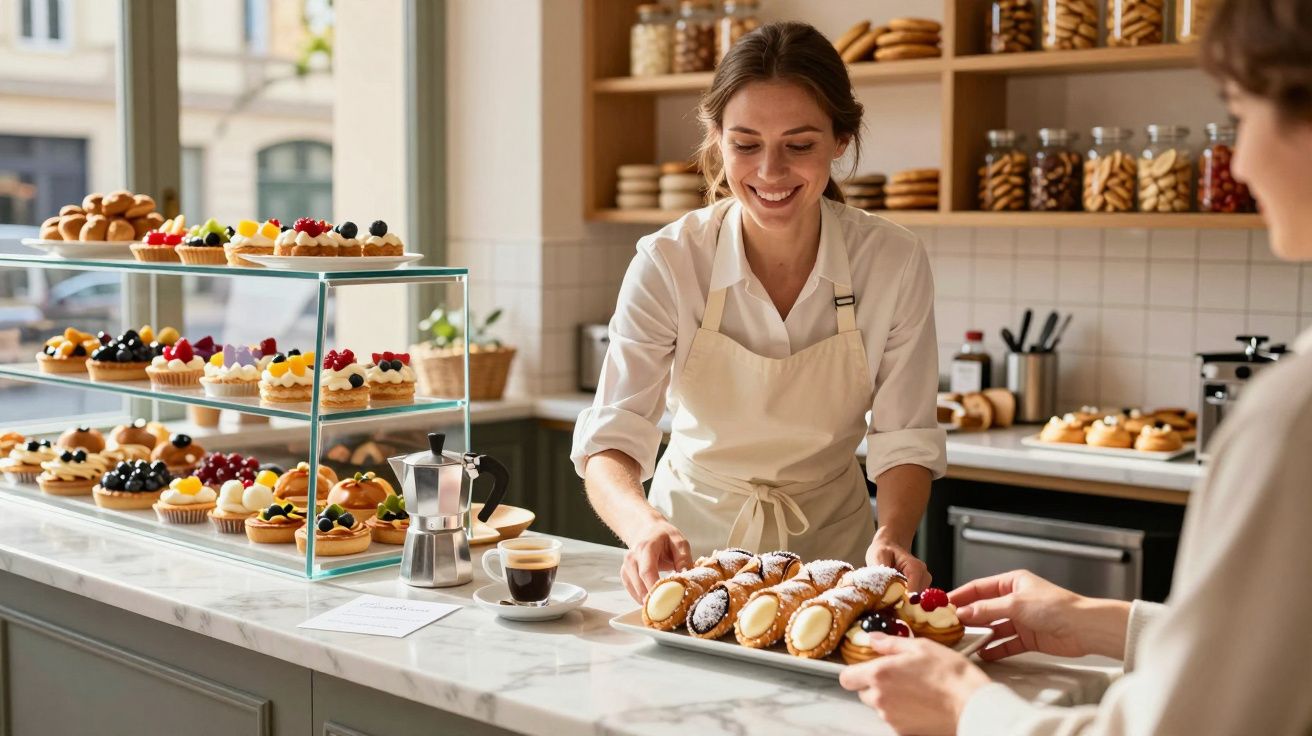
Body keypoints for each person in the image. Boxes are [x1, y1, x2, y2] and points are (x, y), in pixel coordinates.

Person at [839, 1, 1312, 733]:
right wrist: (1099, 621)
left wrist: (966, 705)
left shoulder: (1294, 412)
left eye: (1241, 117)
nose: (1240, 162)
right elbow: (1275, 655)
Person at [571, 22, 946, 602]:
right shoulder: (670, 261)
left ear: (841, 140)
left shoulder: (891, 261)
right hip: (687, 559)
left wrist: (894, 535)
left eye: (799, 145)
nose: (770, 172)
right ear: (716, 137)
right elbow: (611, 438)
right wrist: (643, 528)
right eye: (746, 144)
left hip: (834, 563)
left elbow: (905, 437)